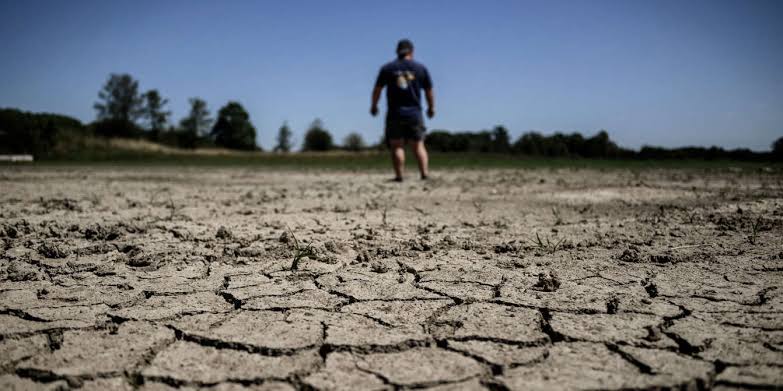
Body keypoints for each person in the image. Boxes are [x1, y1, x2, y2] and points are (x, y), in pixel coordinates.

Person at [371, 39, 435, 182]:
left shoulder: (387, 68)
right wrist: (431, 108)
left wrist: (374, 106)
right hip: (415, 112)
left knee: (396, 145)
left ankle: (399, 176)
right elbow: (429, 91)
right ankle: (424, 174)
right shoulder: (420, 68)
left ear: (397, 51)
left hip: (395, 112)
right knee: (418, 144)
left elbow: (377, 90)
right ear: (412, 51)